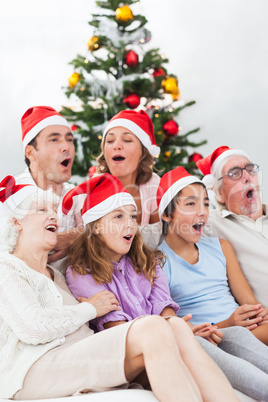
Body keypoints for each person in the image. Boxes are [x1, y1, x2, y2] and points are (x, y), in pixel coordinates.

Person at [0, 175, 238, 402]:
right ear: (15, 221)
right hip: (35, 368)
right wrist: (89, 309)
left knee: (175, 325)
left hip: (84, 357)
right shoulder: (7, 268)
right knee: (154, 327)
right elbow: (33, 328)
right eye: (42, 210)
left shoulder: (57, 276)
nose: (53, 216)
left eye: (54, 211)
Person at [156, 166, 268, 401]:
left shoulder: (221, 247)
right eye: (190, 204)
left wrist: (255, 315)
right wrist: (229, 323)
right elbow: (176, 329)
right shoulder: (156, 263)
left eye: (206, 204)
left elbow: (251, 303)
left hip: (249, 328)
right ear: (167, 214)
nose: (202, 212)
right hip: (211, 338)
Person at [13, 105, 84, 271]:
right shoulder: (11, 199)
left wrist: (79, 237)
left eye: (69, 139)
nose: (66, 147)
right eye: (54, 139)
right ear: (31, 153)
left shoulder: (77, 198)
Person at [196, 145, 268, 307]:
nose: (247, 177)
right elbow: (167, 225)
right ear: (219, 193)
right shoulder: (210, 223)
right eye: (234, 173)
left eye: (250, 169)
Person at [96, 110, 161, 226]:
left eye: (127, 140)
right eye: (110, 141)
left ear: (143, 152)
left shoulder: (153, 185)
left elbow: (159, 237)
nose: (116, 146)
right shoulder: (95, 188)